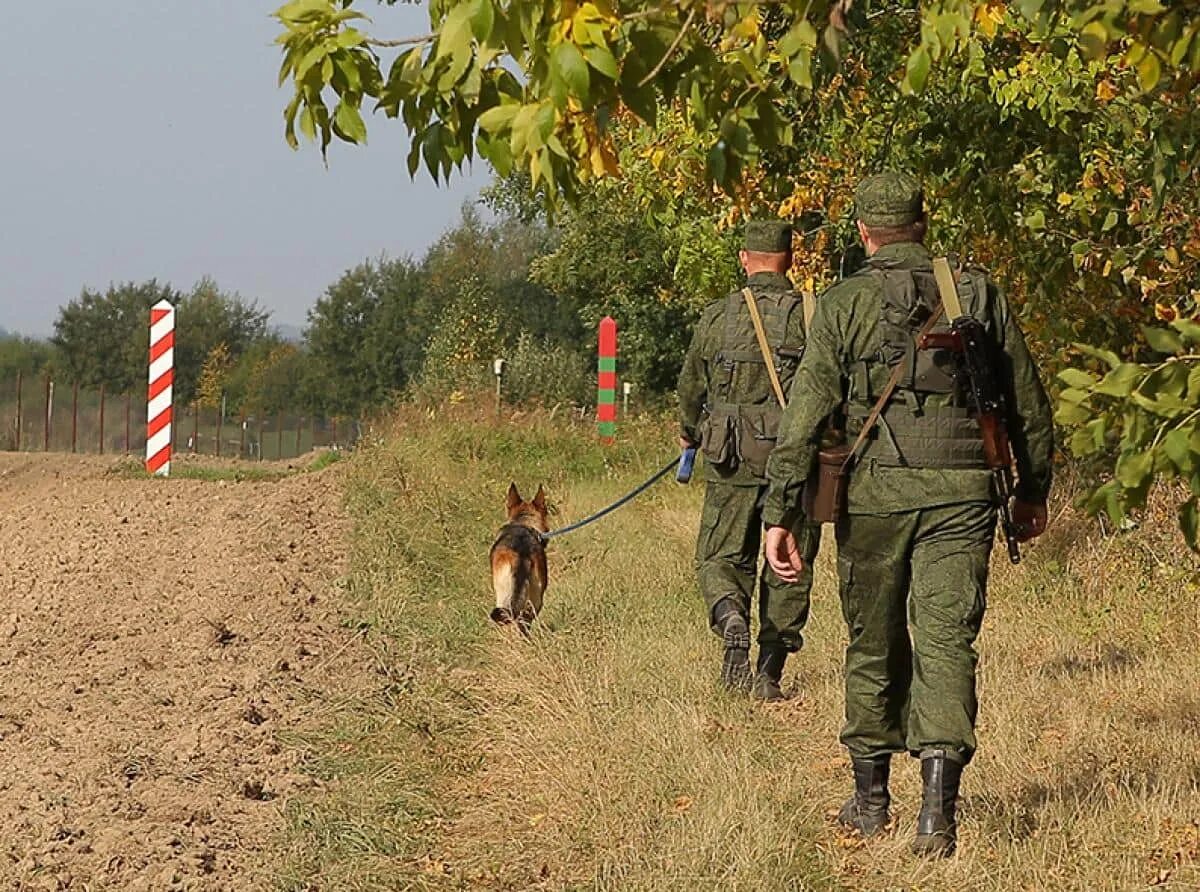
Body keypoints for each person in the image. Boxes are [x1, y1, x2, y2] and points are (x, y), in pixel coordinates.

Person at [761, 172, 1054, 857]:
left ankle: (870, 804)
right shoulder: (976, 292)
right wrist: (1033, 489)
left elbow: (804, 417)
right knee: (947, 643)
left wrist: (781, 510)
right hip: (961, 498)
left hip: (874, 500)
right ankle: (936, 816)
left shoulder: (843, 303)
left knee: (873, 641)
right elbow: (1028, 402)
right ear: (922, 224)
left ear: (865, 232)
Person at [677, 220, 822, 700]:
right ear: (791, 259)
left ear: (744, 259)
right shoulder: (815, 315)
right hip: (795, 459)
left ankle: (730, 615)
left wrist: (689, 433)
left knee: (720, 554)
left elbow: (691, 387)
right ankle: (769, 671)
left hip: (731, 456)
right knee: (788, 561)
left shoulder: (719, 316)